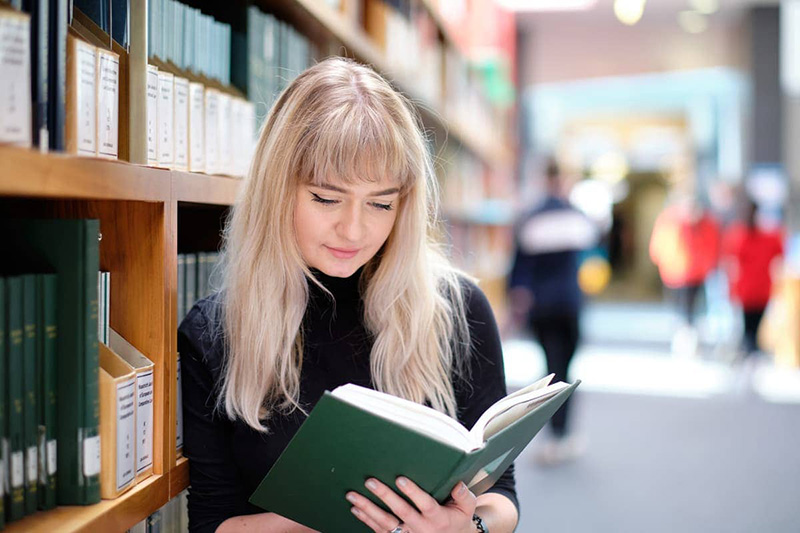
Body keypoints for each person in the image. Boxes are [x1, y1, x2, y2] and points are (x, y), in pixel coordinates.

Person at [178, 57, 519, 533]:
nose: (354, 228)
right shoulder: (215, 332)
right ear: (278, 189)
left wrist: (466, 529)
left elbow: (501, 496)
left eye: (381, 203)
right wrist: (343, 517)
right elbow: (213, 523)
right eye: (326, 198)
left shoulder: (457, 310)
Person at [507, 160, 595, 466]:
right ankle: (562, 434)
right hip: (569, 304)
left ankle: (553, 436)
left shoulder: (529, 218)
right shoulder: (575, 216)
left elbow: (518, 269)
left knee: (550, 368)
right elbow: (593, 247)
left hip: (541, 306)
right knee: (565, 370)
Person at [649, 193, 720, 356]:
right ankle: (682, 336)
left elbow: (712, 245)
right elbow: (660, 244)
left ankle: (689, 338)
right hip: (674, 273)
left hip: (697, 274)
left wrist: (708, 265)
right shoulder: (670, 221)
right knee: (679, 307)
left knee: (692, 309)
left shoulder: (705, 224)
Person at [721, 199, 784, 356]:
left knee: (753, 327)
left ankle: (750, 351)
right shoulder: (737, 236)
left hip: (758, 288)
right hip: (749, 289)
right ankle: (749, 351)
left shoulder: (767, 236)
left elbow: (779, 257)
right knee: (749, 327)